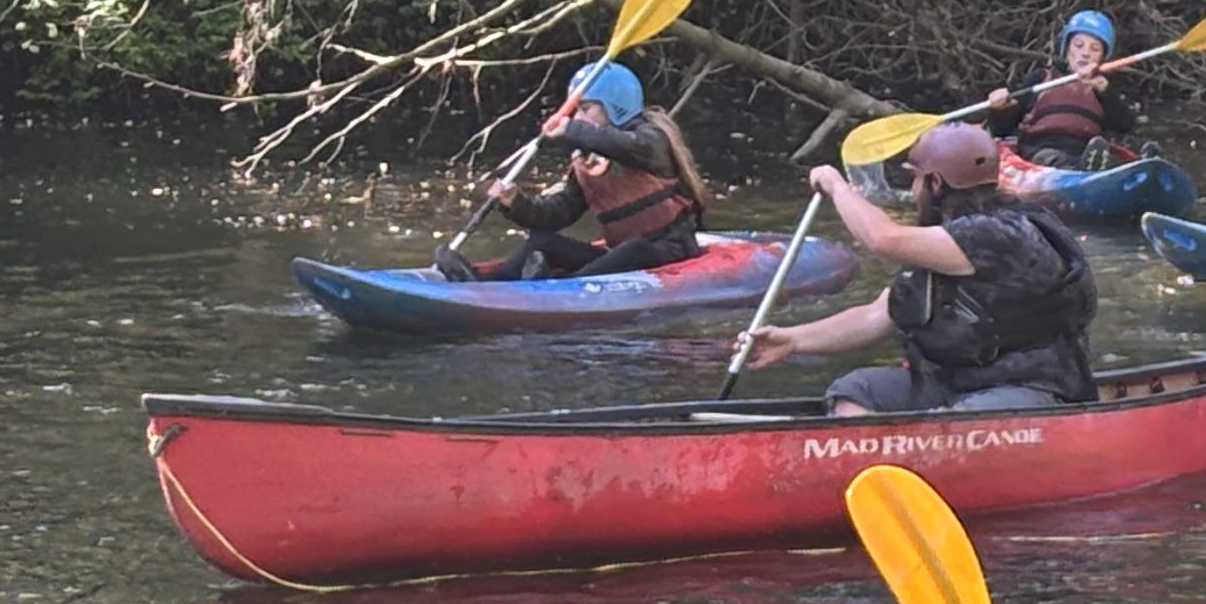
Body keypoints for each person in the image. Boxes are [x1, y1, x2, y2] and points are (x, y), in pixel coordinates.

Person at [737, 121, 1098, 413]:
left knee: (958, 421)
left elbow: (882, 238)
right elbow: (875, 317)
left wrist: (837, 187)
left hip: (1031, 388)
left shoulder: (1000, 233)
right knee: (856, 390)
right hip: (958, 383)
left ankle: (918, 466)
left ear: (935, 184)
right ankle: (872, 471)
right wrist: (793, 340)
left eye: (915, 179)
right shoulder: (941, 243)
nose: (913, 190)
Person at [439, 59, 706, 280]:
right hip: (619, 256)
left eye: (585, 109)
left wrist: (571, 129)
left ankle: (561, 286)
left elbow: (624, 146)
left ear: (615, 107)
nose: (577, 117)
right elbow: (561, 211)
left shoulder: (651, 140)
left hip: (669, 252)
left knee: (634, 249)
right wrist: (516, 203)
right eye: (576, 111)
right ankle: (484, 282)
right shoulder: (589, 157)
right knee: (542, 241)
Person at [979, 10, 1141, 170]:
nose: (1085, 53)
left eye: (1095, 49)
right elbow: (1002, 129)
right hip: (1042, 149)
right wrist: (999, 109)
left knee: (1114, 163)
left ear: (1102, 57)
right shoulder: (1042, 78)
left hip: (1085, 151)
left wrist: (1105, 91)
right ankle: (1081, 170)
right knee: (1054, 159)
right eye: (1078, 45)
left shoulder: (1103, 88)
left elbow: (1124, 125)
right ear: (1067, 48)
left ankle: (1140, 165)